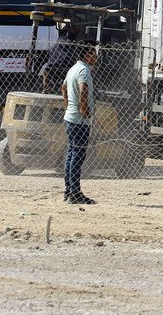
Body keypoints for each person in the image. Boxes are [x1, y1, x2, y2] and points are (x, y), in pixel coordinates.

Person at [61, 41, 98, 205]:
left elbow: (63, 88)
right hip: (79, 120)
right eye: (92, 53)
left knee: (71, 154)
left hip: (70, 117)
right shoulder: (83, 70)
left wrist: (69, 104)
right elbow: (83, 89)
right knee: (78, 156)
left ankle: (68, 191)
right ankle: (75, 194)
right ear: (85, 55)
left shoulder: (72, 68)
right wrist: (83, 109)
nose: (95, 56)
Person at [42, 24, 80, 93]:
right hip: (65, 69)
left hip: (51, 68)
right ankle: (68, 91)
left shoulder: (59, 40)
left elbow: (50, 52)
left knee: (46, 72)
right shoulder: (74, 43)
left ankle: (46, 90)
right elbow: (76, 57)